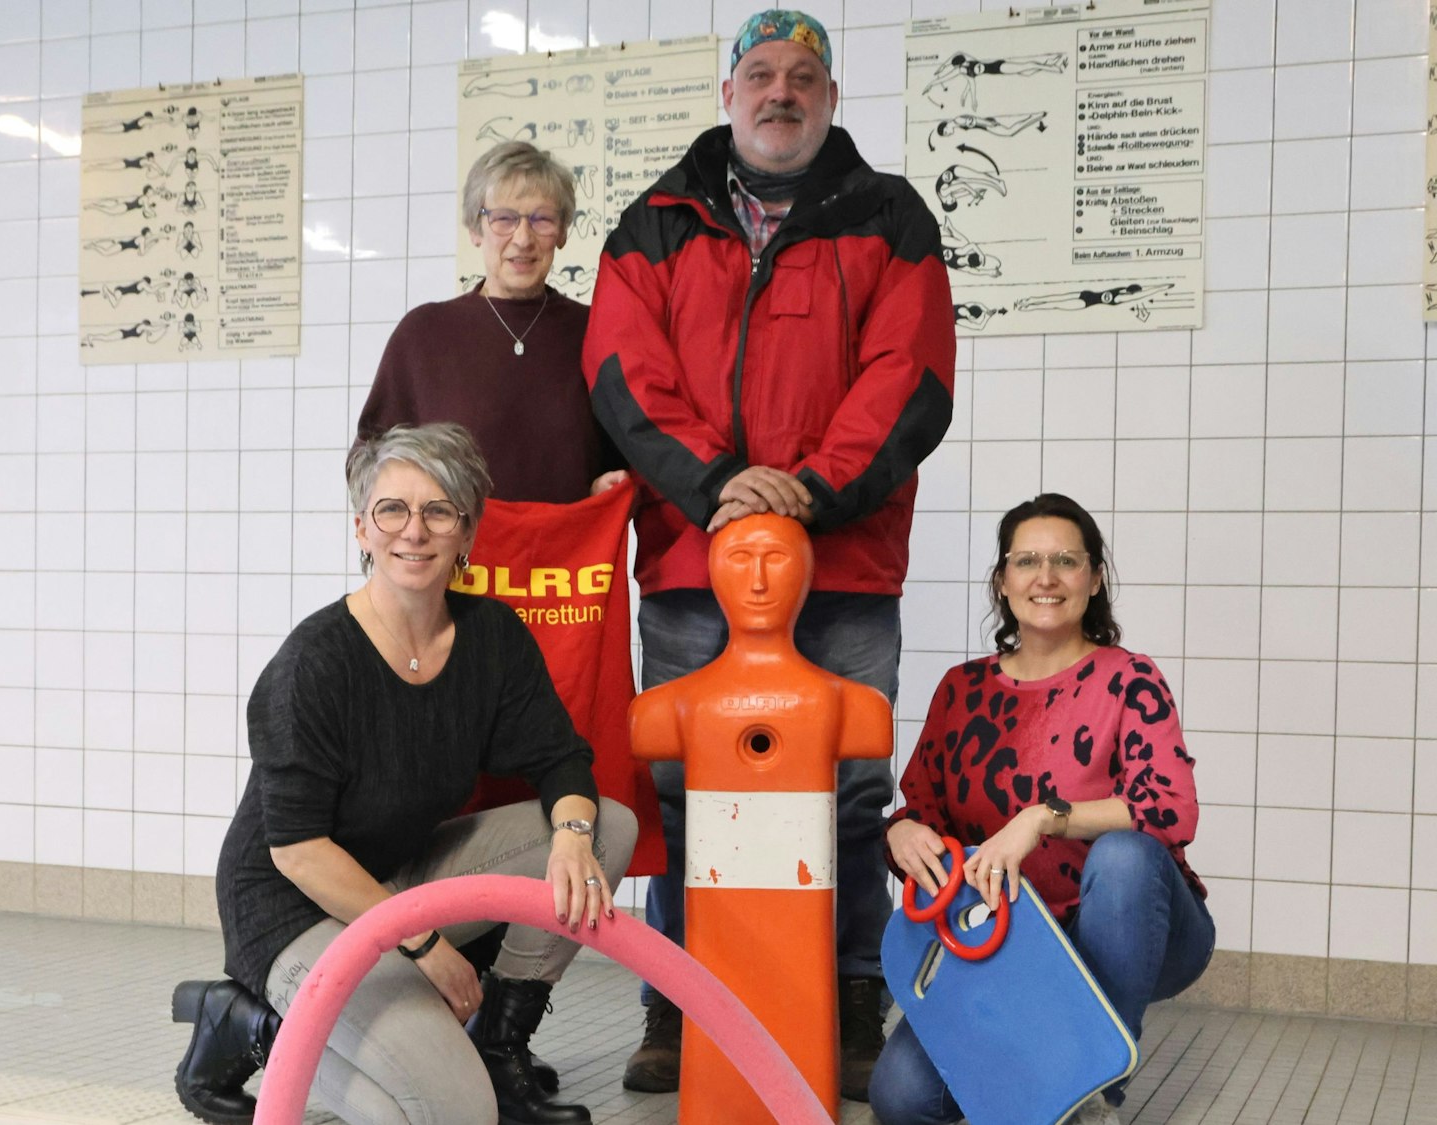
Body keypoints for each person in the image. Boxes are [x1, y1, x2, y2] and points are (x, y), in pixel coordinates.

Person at [584, 7, 955, 1101]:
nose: (779, 92)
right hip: (696, 563)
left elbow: (911, 373)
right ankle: (677, 1001)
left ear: (831, 99)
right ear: (727, 94)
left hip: (840, 563)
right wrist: (715, 490)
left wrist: (809, 493)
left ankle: (844, 1003)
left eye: (802, 76)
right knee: (686, 788)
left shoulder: (890, 217)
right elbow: (620, 371)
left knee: (843, 790)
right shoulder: (652, 222)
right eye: (759, 73)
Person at [170, 423, 639, 1125]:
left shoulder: (490, 637)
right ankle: (253, 1022)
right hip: (295, 904)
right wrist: (424, 946)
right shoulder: (315, 664)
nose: (413, 531)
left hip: (399, 873)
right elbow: (296, 849)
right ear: (362, 528)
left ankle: (499, 1046)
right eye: (392, 509)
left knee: (608, 828)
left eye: (439, 509)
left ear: (467, 531)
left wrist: (571, 835)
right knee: (448, 1112)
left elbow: (558, 756)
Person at [870, 494, 1213, 1125]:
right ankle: (1042, 1072)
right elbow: (919, 811)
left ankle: (1088, 1093)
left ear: (1094, 578)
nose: (1046, 577)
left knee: (1126, 858)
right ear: (1003, 581)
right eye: (1027, 560)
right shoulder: (961, 688)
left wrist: (1041, 818)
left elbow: (1170, 810)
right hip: (1013, 942)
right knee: (903, 1100)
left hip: (1133, 927)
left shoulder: (1128, 678)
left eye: (1065, 560)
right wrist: (903, 833)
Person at [359, 141, 624, 504]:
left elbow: (627, 454)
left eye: (542, 219)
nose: (523, 238)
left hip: (566, 557)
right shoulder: (424, 335)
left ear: (562, 233)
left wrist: (605, 490)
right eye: (504, 219)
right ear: (475, 229)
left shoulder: (595, 332)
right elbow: (368, 459)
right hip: (458, 558)